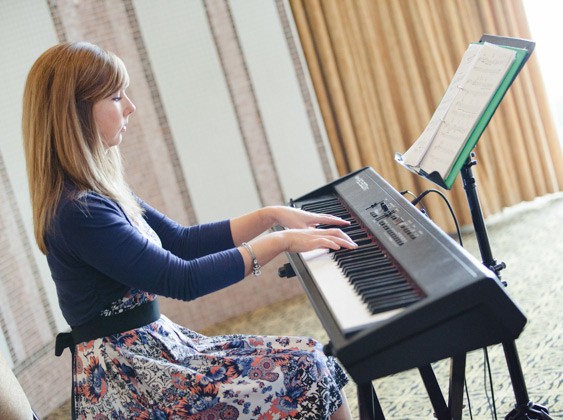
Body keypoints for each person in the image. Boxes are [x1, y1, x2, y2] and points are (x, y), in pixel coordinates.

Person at [22, 42, 357, 420]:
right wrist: (280, 241)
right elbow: (182, 280)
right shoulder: (78, 212)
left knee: (313, 358)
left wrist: (271, 216)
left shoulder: (97, 192)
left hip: (154, 353)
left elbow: (180, 242)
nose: (130, 107)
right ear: (75, 113)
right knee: (306, 365)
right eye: (116, 97)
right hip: (129, 381)